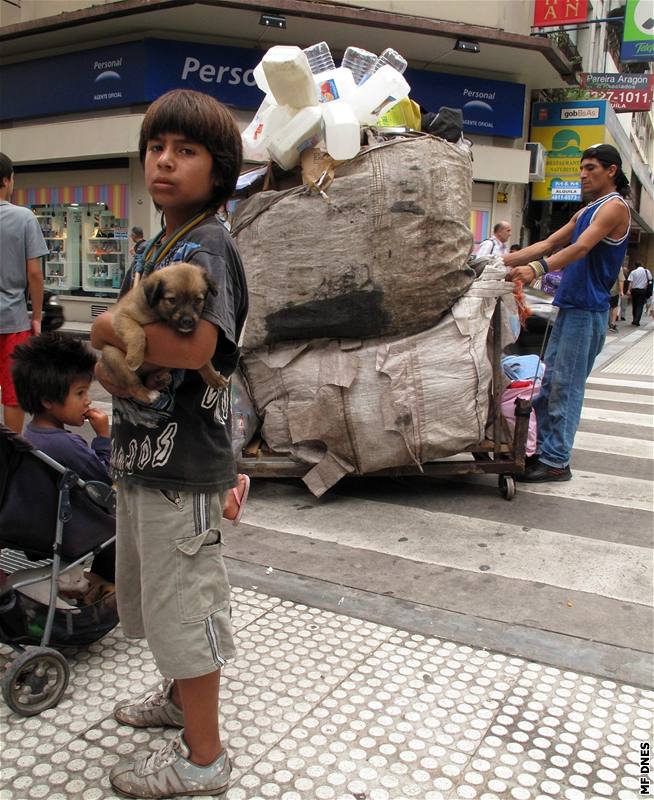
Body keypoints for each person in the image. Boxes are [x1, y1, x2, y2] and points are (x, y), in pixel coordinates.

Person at [91, 88, 248, 799]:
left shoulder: (209, 242)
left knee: (186, 607)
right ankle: (178, 702)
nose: (164, 161)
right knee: (160, 601)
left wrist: (103, 330)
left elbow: (198, 347)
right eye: (156, 147)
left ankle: (204, 761)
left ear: (217, 171)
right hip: (144, 456)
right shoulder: (160, 241)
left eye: (186, 151)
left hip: (182, 466)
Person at [504, 143, 631, 483]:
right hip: (570, 308)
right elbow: (547, 243)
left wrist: (536, 269)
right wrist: (496, 262)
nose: (583, 174)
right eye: (581, 168)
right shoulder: (587, 210)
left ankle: (557, 460)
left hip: (587, 312)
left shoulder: (614, 207)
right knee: (547, 384)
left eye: (590, 168)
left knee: (566, 387)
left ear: (611, 171)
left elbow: (581, 247)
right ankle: (541, 452)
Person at [10, 332, 115, 581]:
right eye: (79, 393)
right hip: (71, 532)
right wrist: (103, 436)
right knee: (124, 526)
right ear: (48, 400)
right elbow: (105, 478)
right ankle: (103, 589)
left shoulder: (31, 433)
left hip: (39, 530)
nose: (88, 401)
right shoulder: (66, 444)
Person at [0, 152, 48, 434]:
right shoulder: (24, 218)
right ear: (7, 180)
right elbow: (35, 274)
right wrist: (37, 317)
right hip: (14, 320)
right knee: (12, 393)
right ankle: (11, 456)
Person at [625, 260, 651, 326]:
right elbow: (650, 279)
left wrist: (628, 290)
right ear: (641, 264)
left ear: (635, 266)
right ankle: (637, 320)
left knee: (635, 305)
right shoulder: (646, 271)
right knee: (640, 305)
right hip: (643, 290)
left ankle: (634, 319)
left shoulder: (633, 272)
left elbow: (630, 282)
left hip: (634, 291)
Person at [607, 268, 624, 332]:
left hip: (602, 289)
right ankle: (612, 324)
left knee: (606, 306)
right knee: (614, 306)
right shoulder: (618, 266)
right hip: (613, 291)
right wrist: (621, 291)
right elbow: (621, 280)